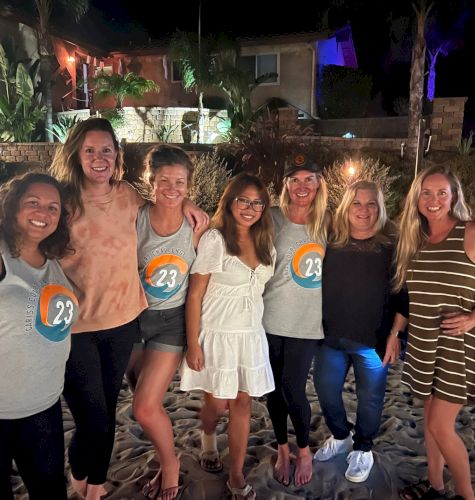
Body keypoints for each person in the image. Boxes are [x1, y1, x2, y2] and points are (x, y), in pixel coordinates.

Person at [49, 118, 208, 500]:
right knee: (92, 415)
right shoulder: (62, 199)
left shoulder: (127, 197)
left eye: (107, 150)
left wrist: (186, 200)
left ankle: (97, 485)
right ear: (76, 154)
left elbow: (163, 200)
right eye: (90, 150)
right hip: (76, 325)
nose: (99, 158)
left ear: (117, 156)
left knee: (106, 411)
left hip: (124, 323)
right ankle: (81, 473)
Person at [394, 166, 475, 500]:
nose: (434, 200)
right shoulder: (413, 237)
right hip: (424, 344)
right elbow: (407, 295)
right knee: (429, 421)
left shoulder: (473, 232)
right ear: (417, 197)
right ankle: (436, 486)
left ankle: (466, 495)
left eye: (441, 192)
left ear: (454, 196)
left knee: (441, 425)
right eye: (426, 192)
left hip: (459, 346)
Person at [180, 173, 276, 500]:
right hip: (217, 334)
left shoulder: (265, 243)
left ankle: (236, 474)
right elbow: (195, 295)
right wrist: (193, 343)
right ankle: (208, 438)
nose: (250, 208)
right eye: (244, 200)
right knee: (217, 403)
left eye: (257, 202)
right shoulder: (215, 240)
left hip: (250, 335)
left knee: (243, 401)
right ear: (230, 201)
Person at [313, 180, 408, 483]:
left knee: (370, 398)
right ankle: (341, 435)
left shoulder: (392, 245)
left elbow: (403, 295)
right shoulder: (330, 239)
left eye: (371, 204)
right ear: (346, 206)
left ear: (380, 208)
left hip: (374, 340)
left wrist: (395, 334)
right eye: (357, 203)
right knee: (326, 392)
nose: (364, 210)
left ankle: (363, 447)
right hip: (331, 337)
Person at [132, 145, 206, 500]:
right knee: (148, 403)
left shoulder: (197, 225)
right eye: (164, 180)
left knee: (145, 407)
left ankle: (172, 466)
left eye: (180, 182)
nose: (172, 188)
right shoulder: (136, 216)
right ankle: (165, 458)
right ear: (150, 182)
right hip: (131, 319)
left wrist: (196, 340)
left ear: (189, 186)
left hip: (170, 322)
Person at [0, 172, 79, 500]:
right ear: (13, 206)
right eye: (33, 203)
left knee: (49, 493)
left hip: (44, 407)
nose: (42, 213)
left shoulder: (53, 261)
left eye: (52, 207)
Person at [262, 154, 329, 487]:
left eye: (309, 179)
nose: (302, 186)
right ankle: (283, 447)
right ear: (285, 184)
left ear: (319, 184)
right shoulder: (271, 218)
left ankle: (304, 449)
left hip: (307, 323)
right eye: (295, 179)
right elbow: (230, 223)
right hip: (269, 318)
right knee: (273, 390)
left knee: (293, 387)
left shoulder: (331, 222)